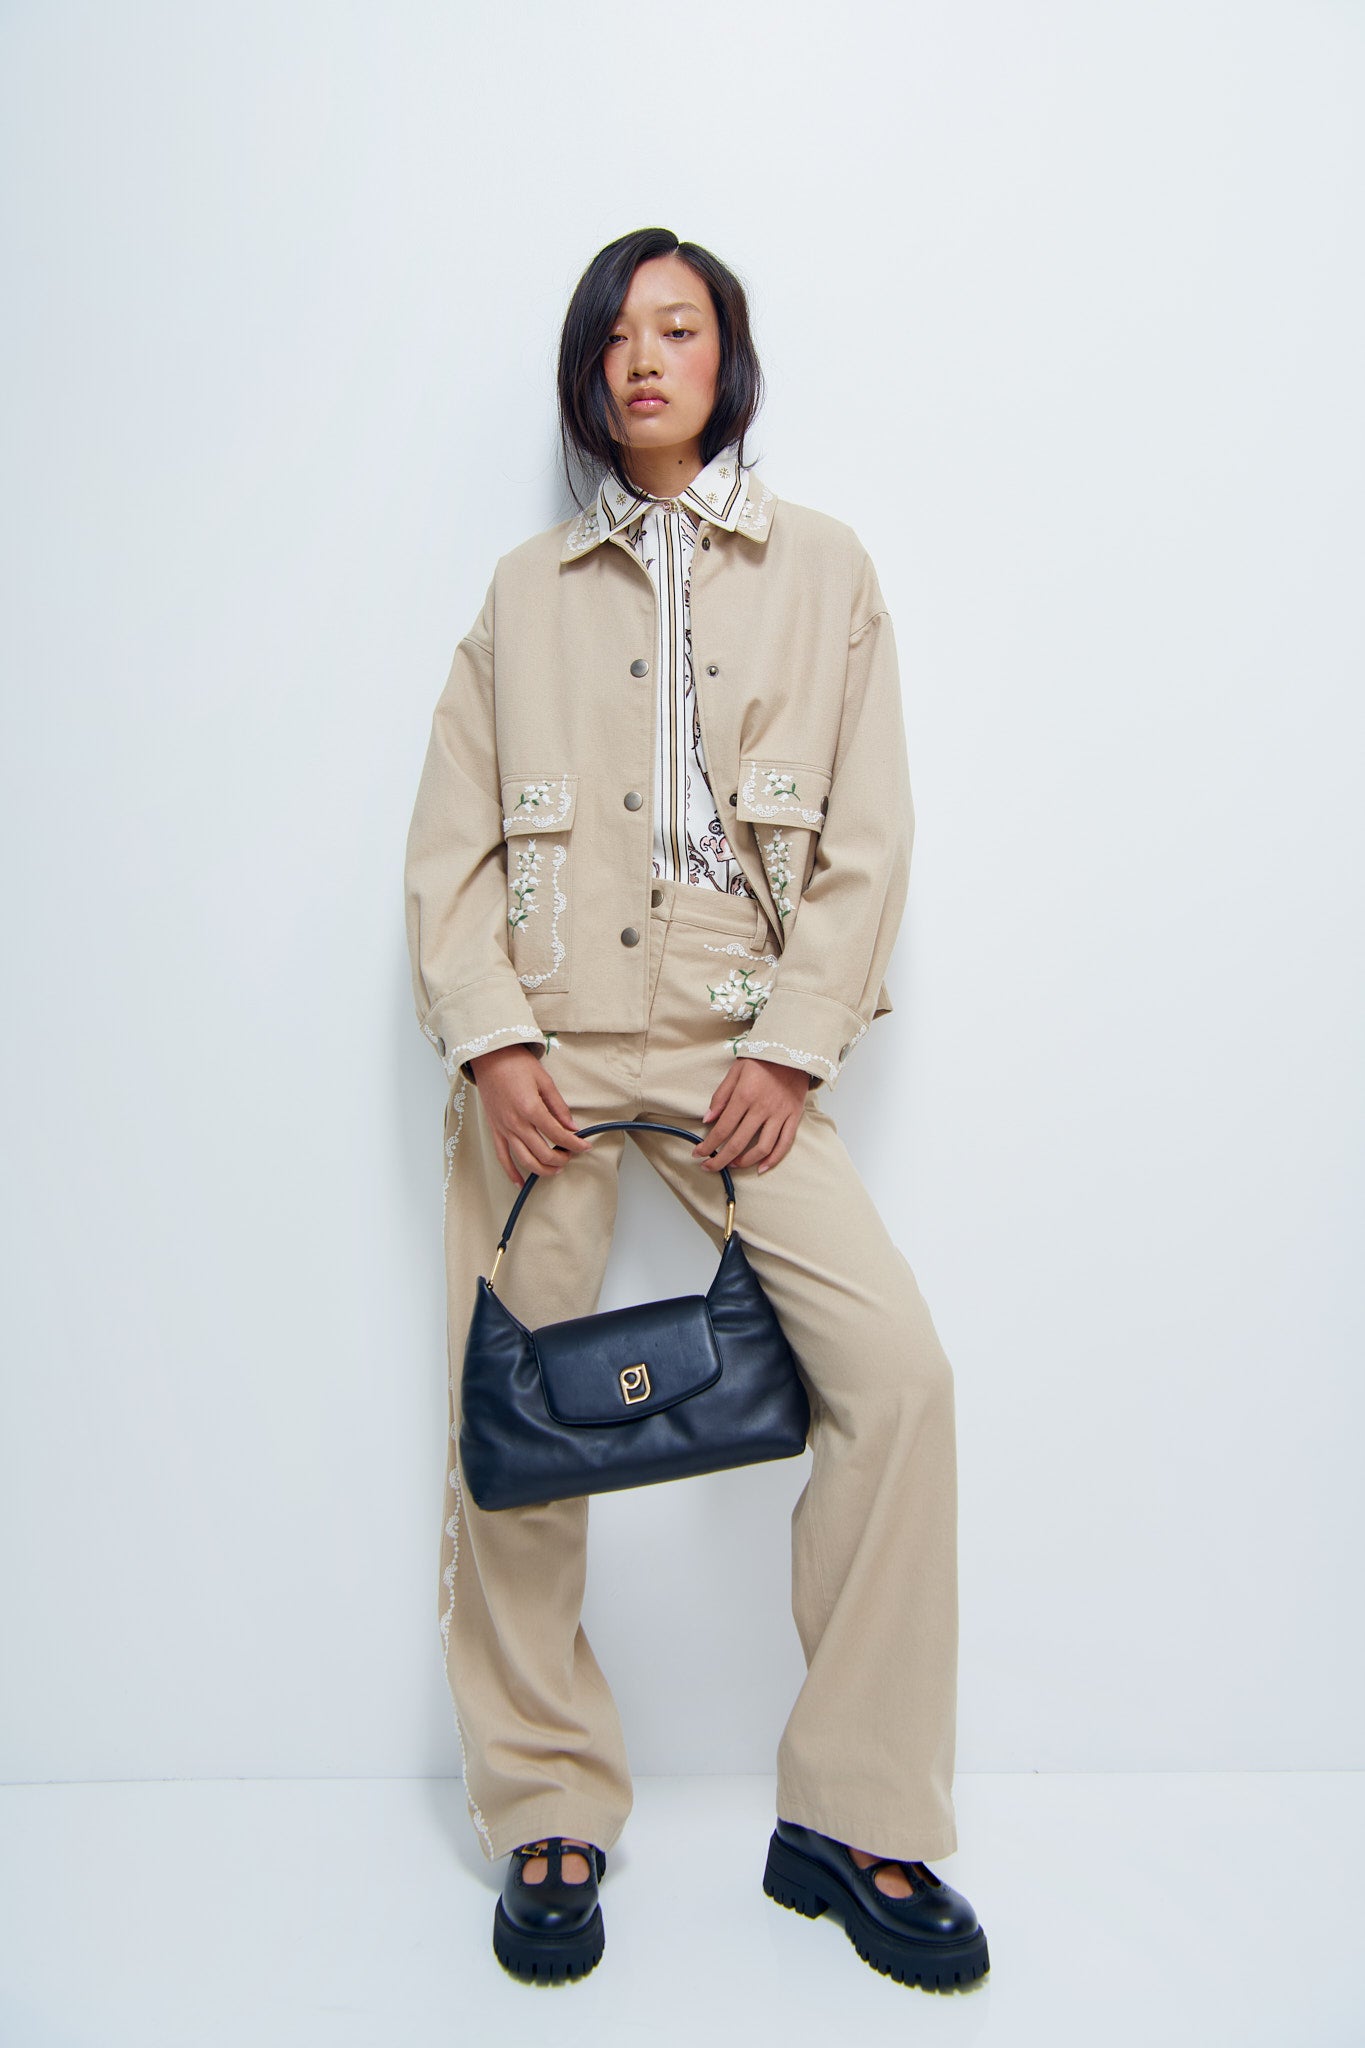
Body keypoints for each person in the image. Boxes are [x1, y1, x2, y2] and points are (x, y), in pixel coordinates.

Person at [403, 227, 989, 1992]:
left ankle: (856, 1812)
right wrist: (492, 1043)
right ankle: (543, 1804)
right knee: (511, 1414)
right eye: (617, 335)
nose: (646, 357)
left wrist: (793, 1048)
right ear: (587, 374)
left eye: (681, 327)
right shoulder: (522, 594)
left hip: (742, 1051)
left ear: (727, 359)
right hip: (550, 1052)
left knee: (896, 1377)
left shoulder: (826, 571)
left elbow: (868, 836)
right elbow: (449, 843)